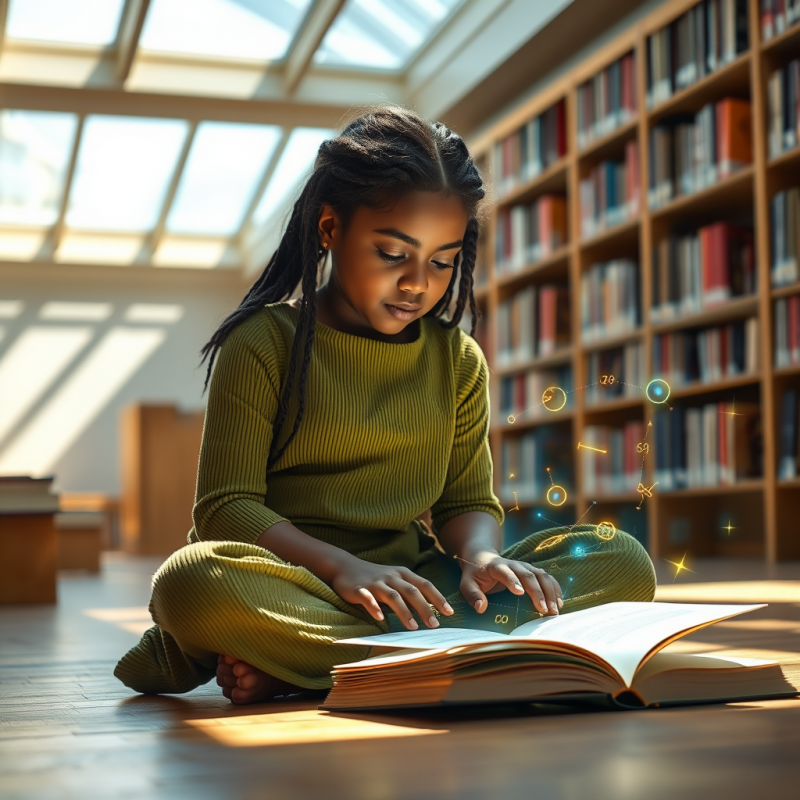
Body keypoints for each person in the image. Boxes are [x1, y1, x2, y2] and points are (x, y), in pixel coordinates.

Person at [115, 106, 656, 704]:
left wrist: (480, 556)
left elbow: (468, 501)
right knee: (192, 584)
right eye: (393, 254)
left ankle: (309, 664)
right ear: (329, 229)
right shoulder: (262, 343)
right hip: (295, 580)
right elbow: (225, 508)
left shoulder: (458, 360)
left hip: (413, 582)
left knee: (620, 558)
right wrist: (345, 569)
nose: (417, 283)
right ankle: (449, 650)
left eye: (442, 261)